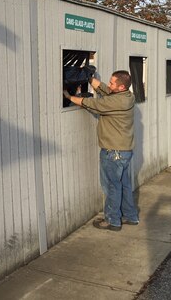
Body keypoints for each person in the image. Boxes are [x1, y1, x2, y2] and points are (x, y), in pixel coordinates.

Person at [63, 70, 139, 231]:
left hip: (114, 153)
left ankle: (113, 220)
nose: (109, 84)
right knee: (124, 185)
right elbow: (105, 90)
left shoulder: (115, 103)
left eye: (112, 83)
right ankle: (130, 216)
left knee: (112, 186)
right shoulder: (127, 96)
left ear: (121, 87)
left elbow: (93, 104)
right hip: (124, 152)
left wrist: (69, 97)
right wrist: (88, 77)